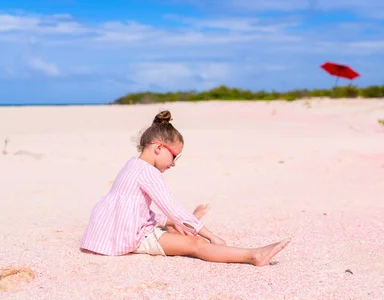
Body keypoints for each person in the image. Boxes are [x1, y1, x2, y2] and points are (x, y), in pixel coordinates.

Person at [80, 110, 290, 266]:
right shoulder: (149, 172)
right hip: (128, 236)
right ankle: (253, 255)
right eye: (174, 156)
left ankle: (186, 221)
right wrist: (210, 235)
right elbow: (171, 208)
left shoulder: (132, 165)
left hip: (107, 231)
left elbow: (131, 206)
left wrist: (169, 220)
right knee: (195, 244)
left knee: (175, 226)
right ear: (159, 147)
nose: (173, 163)